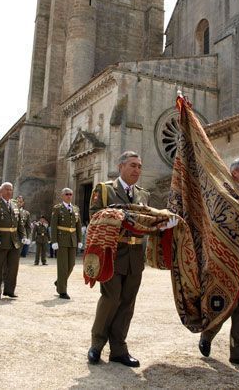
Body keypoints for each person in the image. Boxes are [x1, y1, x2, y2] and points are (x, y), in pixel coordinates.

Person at [87, 151, 150, 367]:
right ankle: (97, 345)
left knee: (127, 302)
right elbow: (94, 216)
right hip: (112, 253)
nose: (137, 170)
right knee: (111, 298)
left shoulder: (144, 195)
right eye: (133, 165)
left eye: (140, 166)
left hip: (135, 256)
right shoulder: (105, 190)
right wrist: (118, 218)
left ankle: (118, 349)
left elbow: (148, 220)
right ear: (121, 166)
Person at [198, 157, 239, 369]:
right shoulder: (225, 195)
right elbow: (216, 222)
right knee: (226, 303)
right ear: (235, 173)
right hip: (228, 260)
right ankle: (208, 334)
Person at [0, 182, 26, 300]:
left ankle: (9, 290)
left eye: (11, 190)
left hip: (14, 240)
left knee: (13, 268)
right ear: (1, 191)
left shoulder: (14, 204)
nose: (9, 192)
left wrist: (23, 235)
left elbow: (19, 222)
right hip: (0, 239)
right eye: (6, 189)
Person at [50, 188, 82, 299]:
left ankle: (59, 282)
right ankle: (62, 290)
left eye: (70, 194)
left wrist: (79, 240)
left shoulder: (76, 208)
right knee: (63, 266)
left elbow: (78, 225)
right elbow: (53, 226)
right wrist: (54, 241)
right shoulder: (57, 208)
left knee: (71, 264)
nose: (69, 196)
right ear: (62, 196)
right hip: (62, 239)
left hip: (72, 239)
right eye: (67, 194)